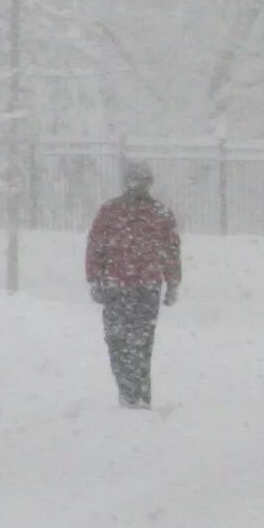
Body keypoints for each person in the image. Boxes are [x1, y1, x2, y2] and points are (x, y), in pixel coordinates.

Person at [84, 159, 183, 407]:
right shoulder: (157, 213)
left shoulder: (112, 211)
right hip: (140, 286)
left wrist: (95, 278)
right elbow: (170, 250)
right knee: (138, 341)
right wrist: (171, 282)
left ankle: (132, 392)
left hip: (121, 285)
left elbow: (96, 247)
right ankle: (135, 392)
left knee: (123, 340)